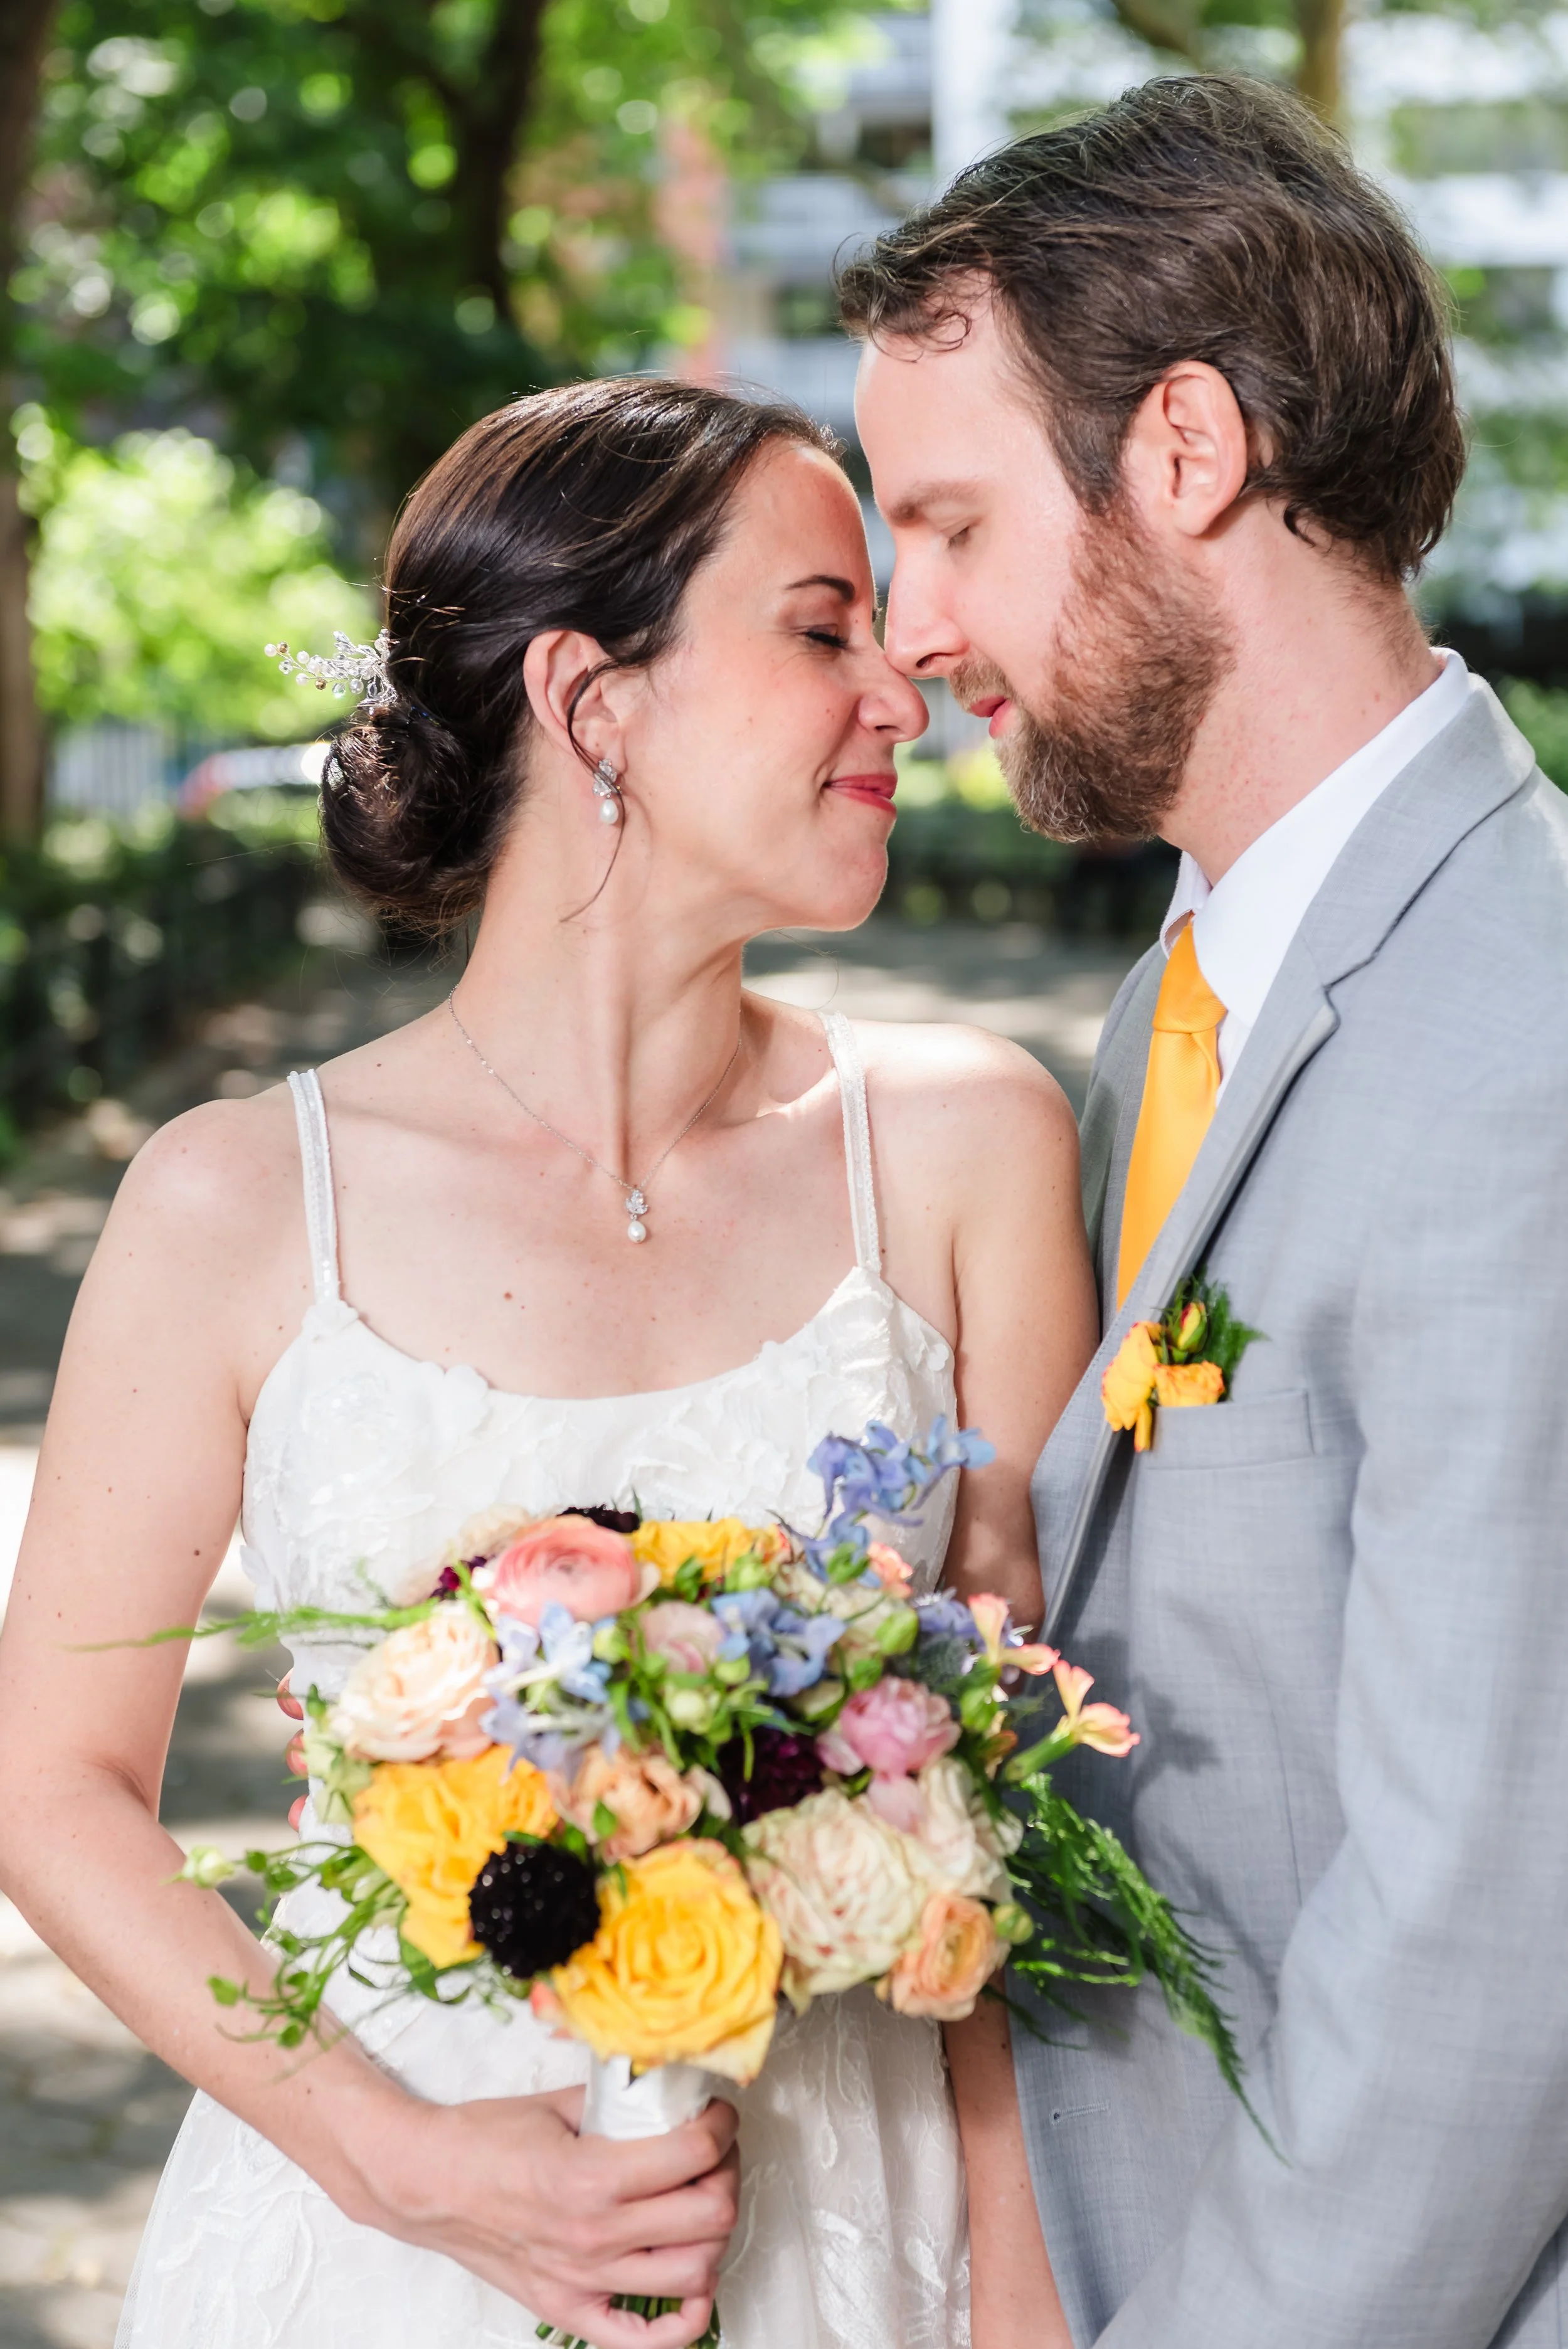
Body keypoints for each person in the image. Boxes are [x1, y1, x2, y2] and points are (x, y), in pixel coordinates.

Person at [0, 376, 1096, 2349]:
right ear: (596, 703)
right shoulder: (235, 1204)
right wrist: (387, 2159)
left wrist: (1016, 2307)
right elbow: (52, 1790)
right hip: (371, 2247)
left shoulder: (965, 1144)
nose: (900, 696)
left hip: (861, 2235)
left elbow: (1049, 1834)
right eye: (821, 626)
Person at [844, 72, 1568, 2349]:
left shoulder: (1523, 1043)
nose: (907, 629)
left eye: (949, 523)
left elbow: (1492, 1933)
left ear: (1181, 451)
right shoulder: (1179, 991)